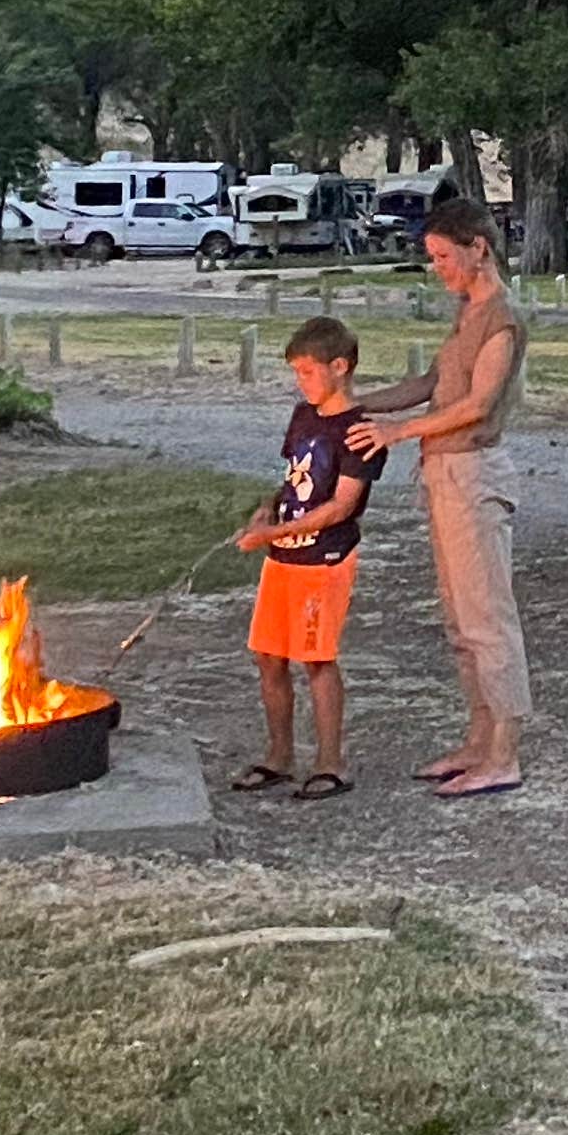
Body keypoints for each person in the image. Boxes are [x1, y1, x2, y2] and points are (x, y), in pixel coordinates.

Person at [349, 195, 531, 799]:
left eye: (444, 256)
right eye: (432, 257)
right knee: (459, 622)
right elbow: (433, 383)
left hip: (475, 473)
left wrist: (398, 432)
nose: (438, 268)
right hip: (444, 473)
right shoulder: (466, 312)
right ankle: (477, 739)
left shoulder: (501, 317)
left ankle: (504, 753)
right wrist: (358, 405)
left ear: (479, 249)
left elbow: (476, 404)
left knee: (487, 620)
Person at [229, 315, 376, 801]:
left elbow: (342, 505)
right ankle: (279, 756)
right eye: (297, 372)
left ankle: (331, 762)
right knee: (269, 656)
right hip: (283, 557)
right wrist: (268, 510)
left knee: (316, 658)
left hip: (324, 559)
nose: (301, 381)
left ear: (340, 367)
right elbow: (296, 479)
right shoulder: (303, 416)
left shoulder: (357, 430)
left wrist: (275, 532)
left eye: (308, 372)